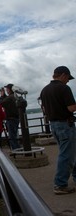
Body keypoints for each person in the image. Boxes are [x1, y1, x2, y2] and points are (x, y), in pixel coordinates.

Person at [40, 65, 76, 195]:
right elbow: (71, 108)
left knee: (70, 152)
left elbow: (44, 109)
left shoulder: (44, 90)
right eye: (68, 78)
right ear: (63, 75)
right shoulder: (64, 88)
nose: (68, 81)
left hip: (54, 125)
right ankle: (60, 184)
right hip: (65, 125)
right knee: (66, 155)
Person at [0, 84, 21, 150]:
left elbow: (1, 103)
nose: (6, 90)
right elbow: (6, 100)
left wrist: (2, 96)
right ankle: (17, 148)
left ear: (11, 89)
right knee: (14, 135)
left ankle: (15, 149)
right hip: (15, 118)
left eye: (7, 89)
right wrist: (4, 95)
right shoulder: (14, 96)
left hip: (11, 119)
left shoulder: (10, 97)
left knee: (12, 136)